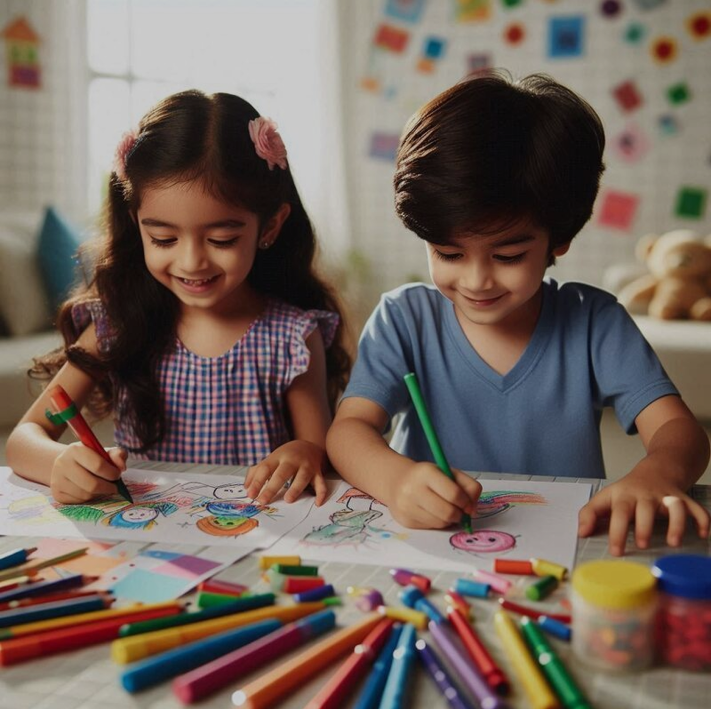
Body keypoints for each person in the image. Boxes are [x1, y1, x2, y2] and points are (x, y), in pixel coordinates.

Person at [326, 70, 710, 555]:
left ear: (560, 237)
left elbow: (681, 432)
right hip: (429, 553)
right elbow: (349, 431)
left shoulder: (594, 322)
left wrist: (656, 474)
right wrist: (396, 481)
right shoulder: (404, 319)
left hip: (565, 555)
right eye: (448, 253)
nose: (476, 280)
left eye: (507, 256)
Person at [7, 90, 350, 508]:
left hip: (258, 536)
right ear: (137, 226)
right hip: (146, 535)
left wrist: (306, 453)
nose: (191, 261)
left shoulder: (292, 337)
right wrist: (60, 463)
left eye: (221, 239)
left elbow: (321, 452)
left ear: (270, 226)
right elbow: (23, 440)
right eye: (163, 238)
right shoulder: (118, 324)